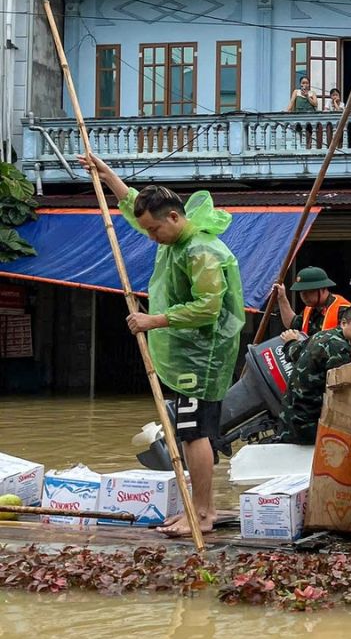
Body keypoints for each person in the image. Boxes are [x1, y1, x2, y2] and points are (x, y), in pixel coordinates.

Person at [78, 154, 244, 538]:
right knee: (191, 431)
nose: (150, 237)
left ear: (173, 217)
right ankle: (202, 508)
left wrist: (153, 320)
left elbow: (207, 307)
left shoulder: (200, 250)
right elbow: (136, 204)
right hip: (189, 351)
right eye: (147, 230)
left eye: (154, 230)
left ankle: (201, 513)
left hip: (201, 355)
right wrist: (107, 177)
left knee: (193, 432)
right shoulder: (175, 239)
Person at [278, 304, 351, 444]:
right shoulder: (339, 348)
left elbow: (294, 352)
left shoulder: (322, 335)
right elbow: (341, 397)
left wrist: (291, 341)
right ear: (343, 323)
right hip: (307, 427)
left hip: (288, 417)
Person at [271, 266, 351, 338]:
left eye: (309, 291)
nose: (304, 296)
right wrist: (282, 298)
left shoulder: (344, 310)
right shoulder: (310, 308)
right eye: (301, 291)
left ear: (323, 288)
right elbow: (292, 324)